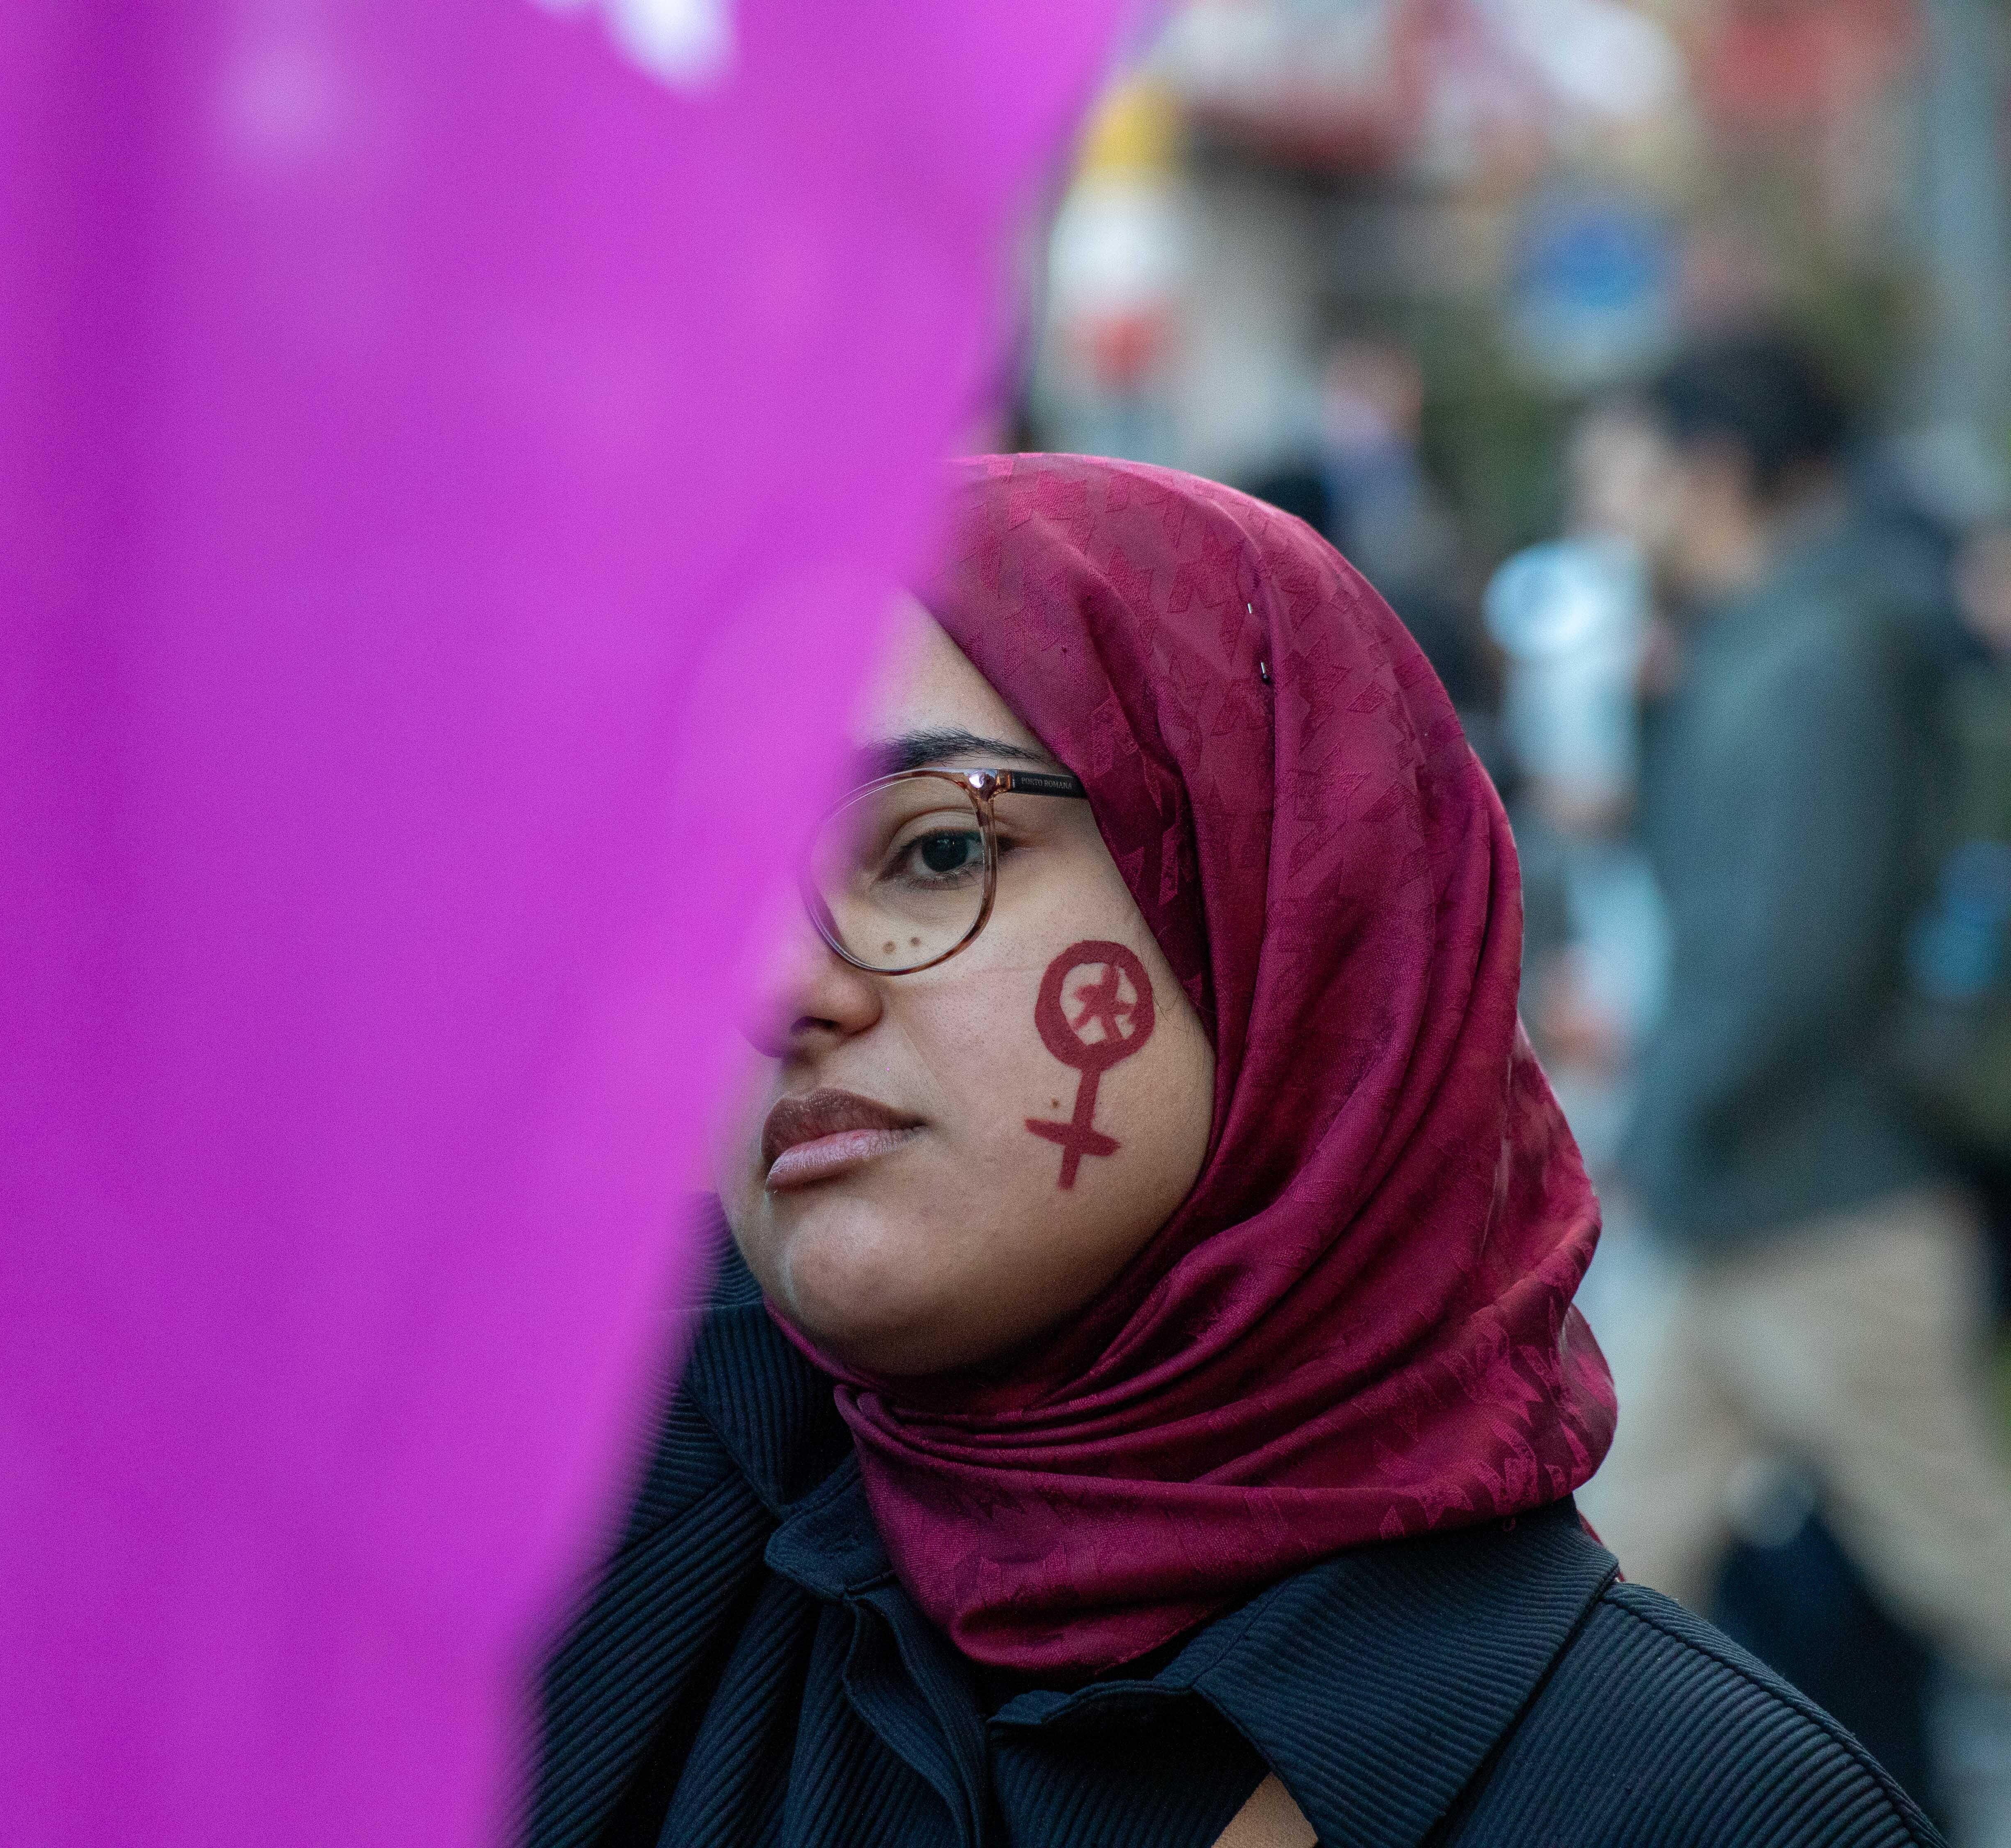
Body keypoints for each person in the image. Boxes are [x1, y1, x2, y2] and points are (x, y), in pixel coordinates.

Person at [529, 454, 1938, 1848]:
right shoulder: (581, 1549)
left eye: (936, 855)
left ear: (1290, 924)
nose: (777, 989)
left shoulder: (1705, 1806)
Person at [1594, 334, 2011, 1749]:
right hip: (1755, 1206)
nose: (1611, 502)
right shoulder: (1754, 645)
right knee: (1603, 1569)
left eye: (1632, 468)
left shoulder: (1818, 656)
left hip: (1831, 1210)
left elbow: (1782, 959)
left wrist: (1647, 1138)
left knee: (1974, 1570)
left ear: (1715, 475)